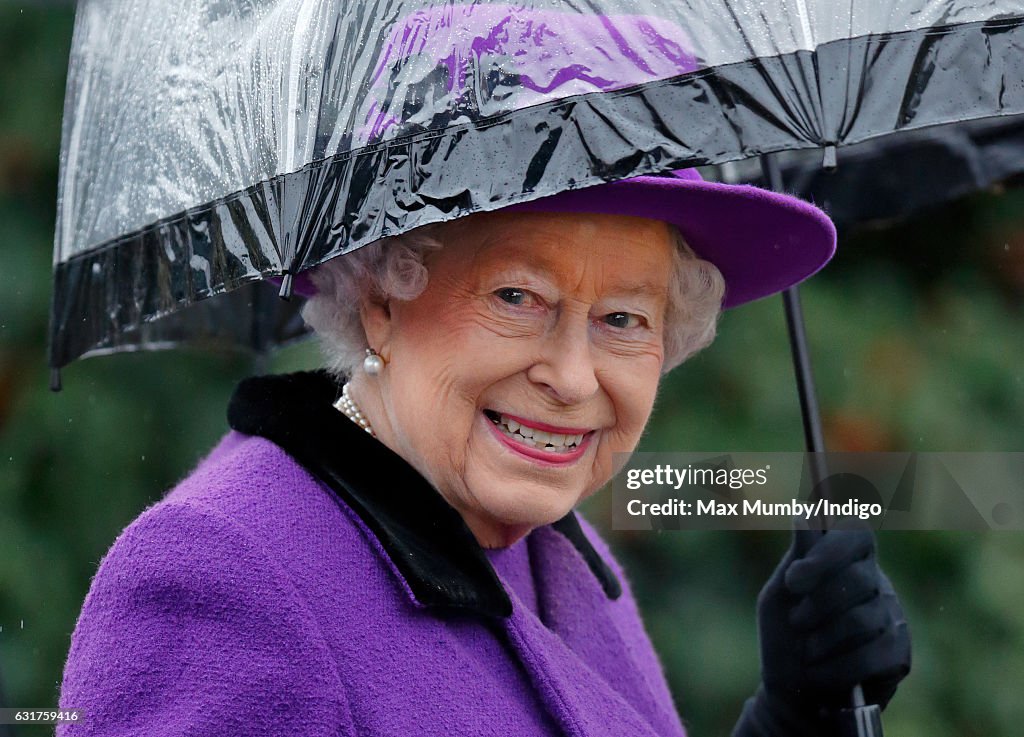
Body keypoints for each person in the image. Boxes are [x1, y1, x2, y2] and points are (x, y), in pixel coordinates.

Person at [57, 167, 909, 737]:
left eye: (622, 319)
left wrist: (797, 716)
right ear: (382, 295)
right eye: (517, 296)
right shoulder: (218, 576)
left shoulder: (555, 552)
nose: (574, 377)